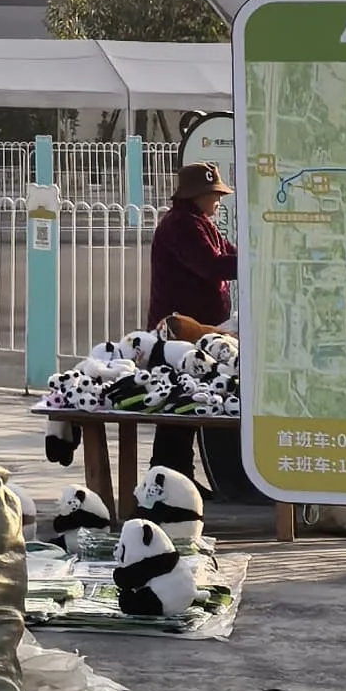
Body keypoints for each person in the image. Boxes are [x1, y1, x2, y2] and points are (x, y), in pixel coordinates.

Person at [145, 161, 246, 497]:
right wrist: (256, 261)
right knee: (177, 406)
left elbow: (230, 254)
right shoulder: (180, 226)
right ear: (196, 195)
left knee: (185, 404)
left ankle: (179, 477)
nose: (218, 200)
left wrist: (254, 255)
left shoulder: (202, 223)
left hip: (199, 335)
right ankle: (167, 478)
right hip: (178, 335)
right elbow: (211, 265)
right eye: (214, 194)